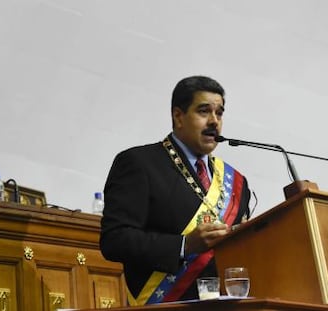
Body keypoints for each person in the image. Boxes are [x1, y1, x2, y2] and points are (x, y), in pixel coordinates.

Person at [100, 75, 251, 305]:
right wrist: (184, 246)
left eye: (219, 113)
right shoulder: (139, 163)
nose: (214, 121)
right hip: (166, 305)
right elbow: (115, 240)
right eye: (203, 111)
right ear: (178, 116)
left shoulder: (237, 182)